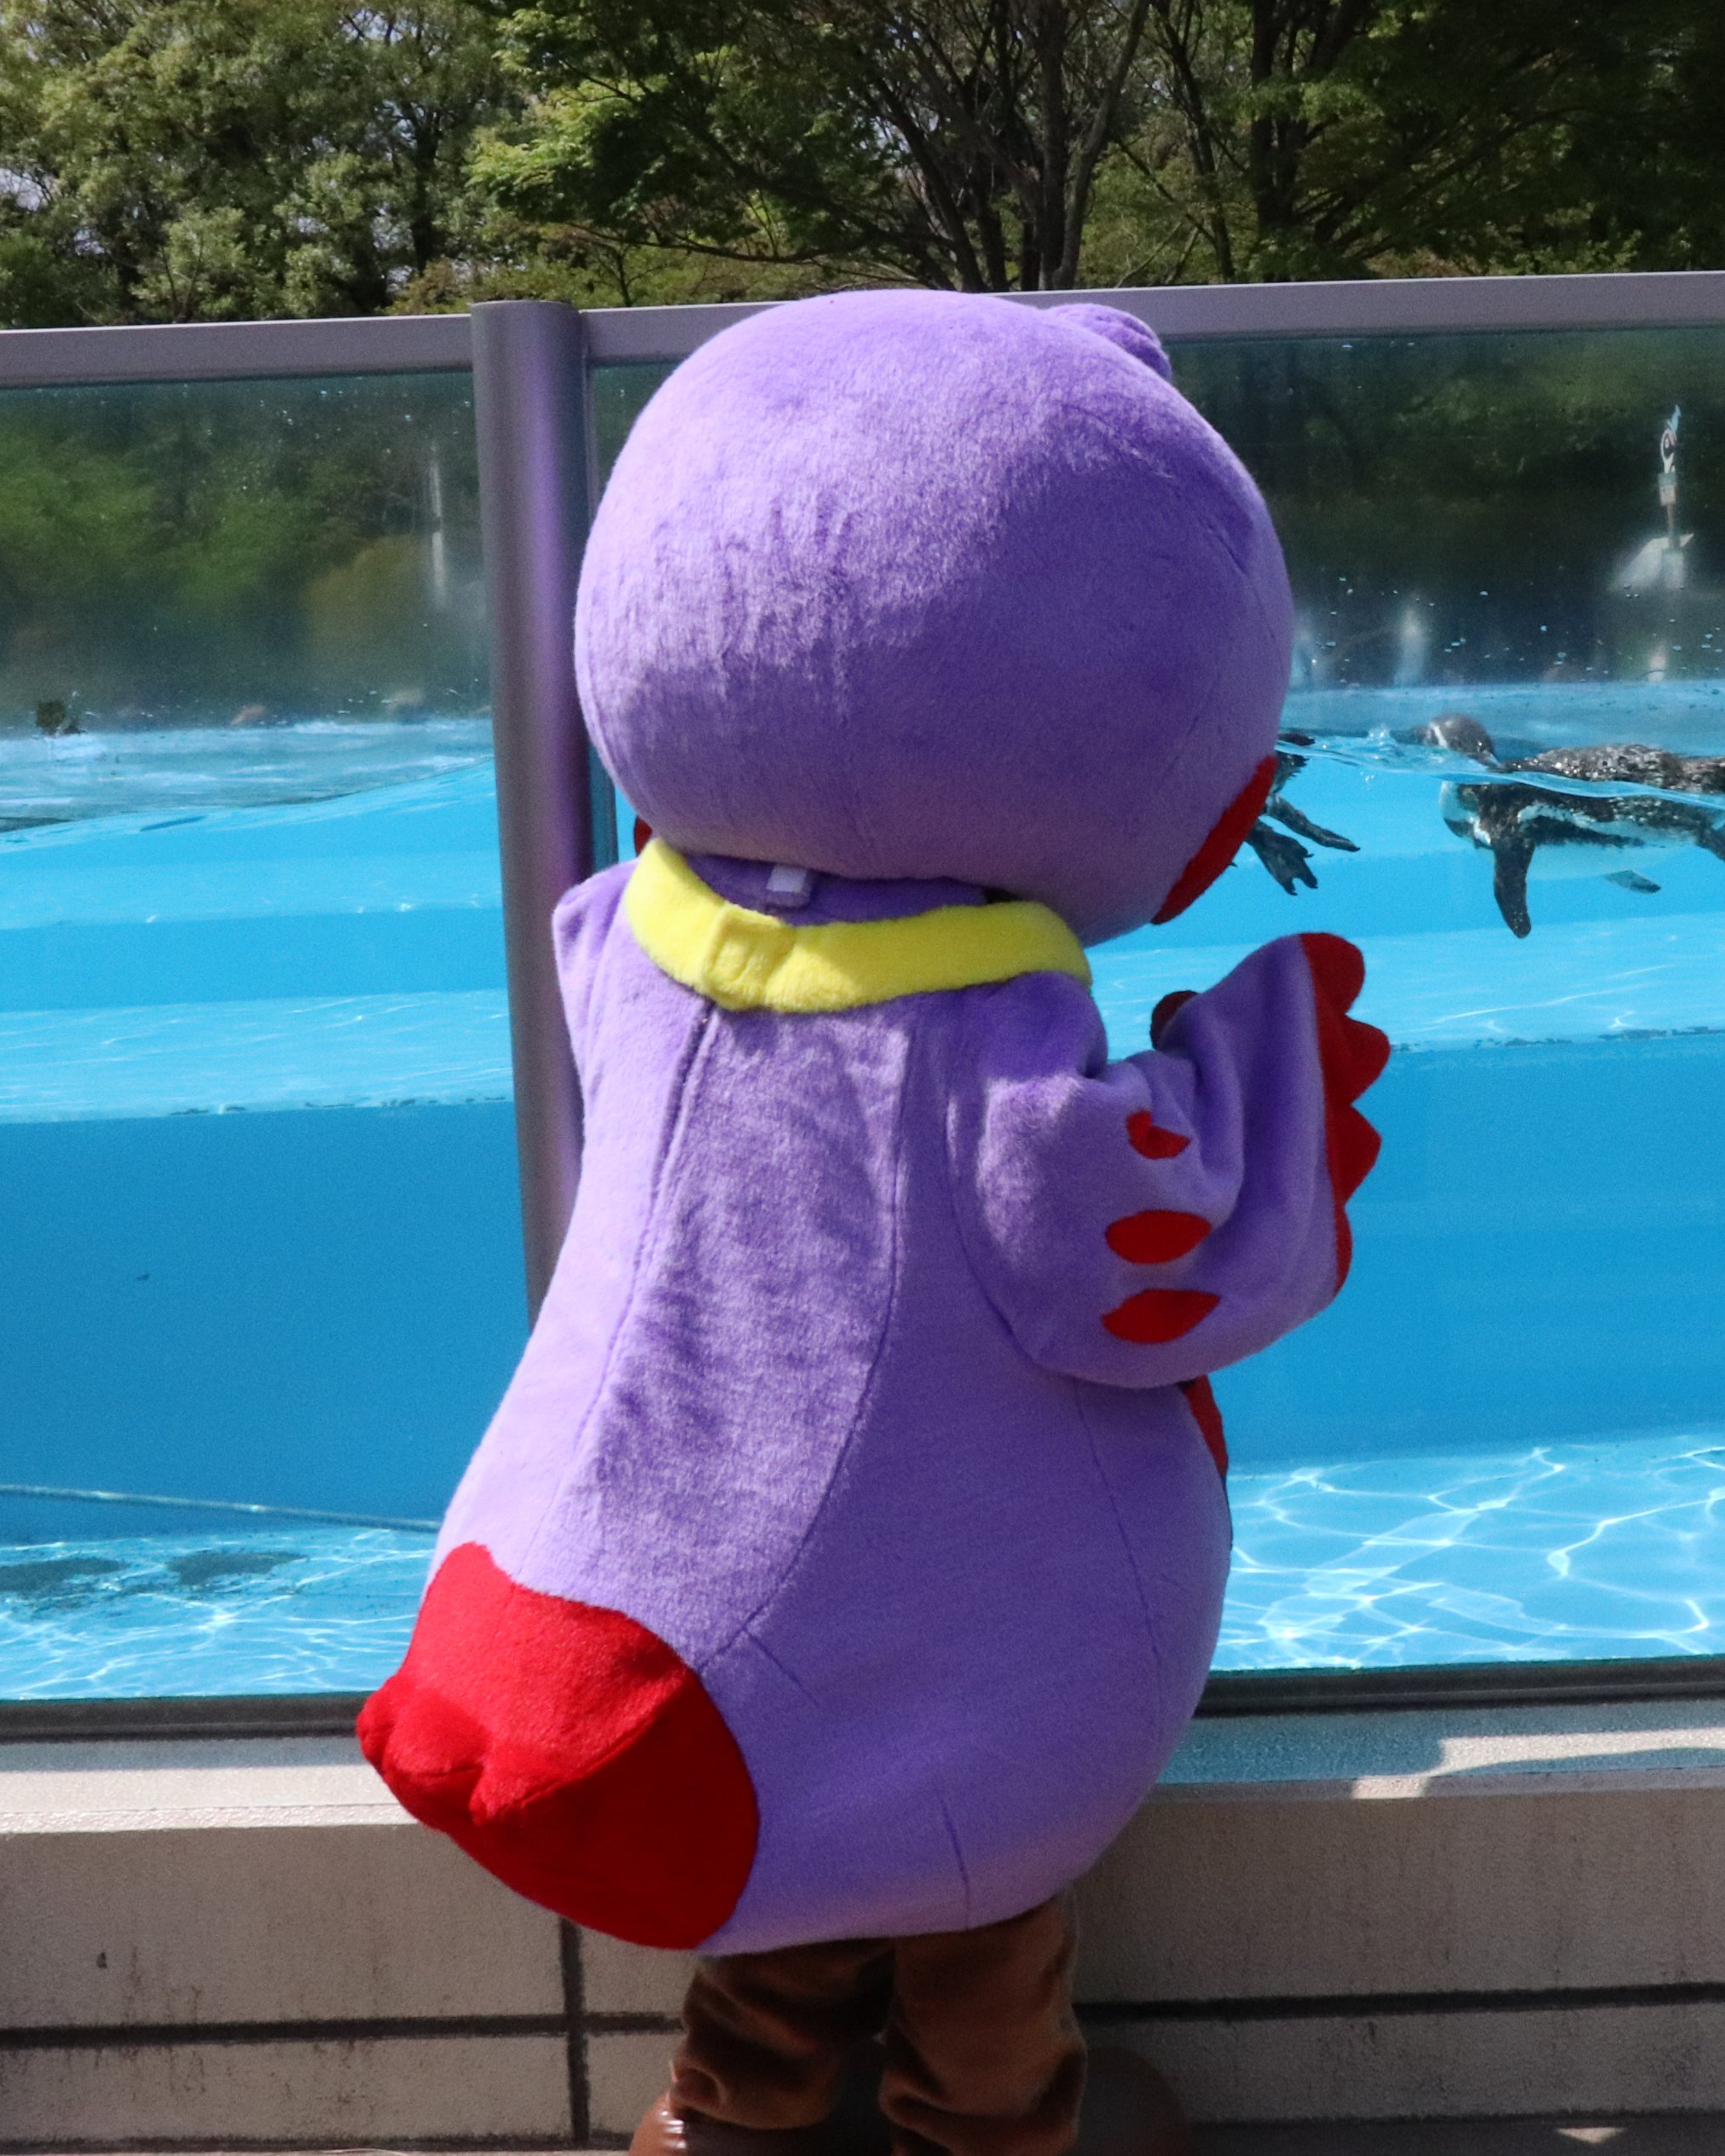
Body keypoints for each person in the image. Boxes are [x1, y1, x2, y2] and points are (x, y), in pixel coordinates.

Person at [356, 291, 1388, 2156]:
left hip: (611, 1582)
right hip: (934, 1651)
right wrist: (1266, 1082)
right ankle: (987, 2130)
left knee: (779, 1945)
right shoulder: (982, 1052)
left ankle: (731, 2116)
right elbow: (1145, 1261)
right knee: (977, 1927)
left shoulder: (623, 944)